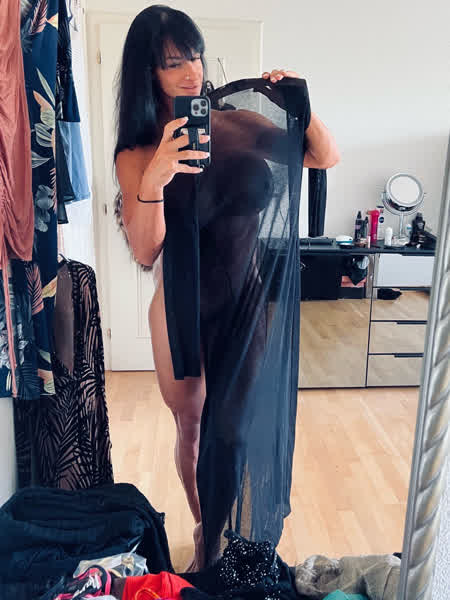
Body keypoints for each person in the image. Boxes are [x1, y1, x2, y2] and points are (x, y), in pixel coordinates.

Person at [114, 4, 339, 569]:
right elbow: (145, 250)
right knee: (193, 425)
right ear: (147, 73)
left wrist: (300, 105)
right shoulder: (137, 153)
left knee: (233, 430)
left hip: (246, 298)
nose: (192, 71)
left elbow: (323, 156)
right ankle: (207, 532)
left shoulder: (238, 123)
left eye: (194, 56)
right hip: (181, 307)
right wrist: (158, 174)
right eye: (173, 63)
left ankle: (223, 528)